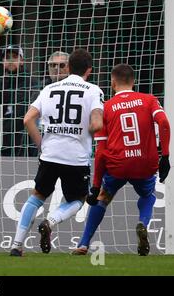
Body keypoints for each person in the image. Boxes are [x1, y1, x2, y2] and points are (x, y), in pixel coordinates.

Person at [10, 48, 104, 256]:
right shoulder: (93, 90)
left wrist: (41, 144)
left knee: (37, 196)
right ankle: (50, 221)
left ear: (68, 67)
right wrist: (82, 132)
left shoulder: (49, 89)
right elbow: (97, 124)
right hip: (76, 157)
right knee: (78, 200)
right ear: (89, 70)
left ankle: (16, 245)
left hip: (50, 154)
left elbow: (27, 119)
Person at [72, 64, 171, 256]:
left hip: (117, 164)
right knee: (147, 196)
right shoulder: (149, 100)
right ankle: (142, 223)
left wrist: (94, 185)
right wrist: (165, 156)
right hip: (144, 163)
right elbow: (164, 123)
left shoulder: (106, 107)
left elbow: (101, 151)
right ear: (133, 81)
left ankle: (83, 243)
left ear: (112, 82)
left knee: (102, 197)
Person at [1, 45, 41, 156]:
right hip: (3, 137)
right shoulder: (0, 83)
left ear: (22, 61)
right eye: (7, 57)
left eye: (14, 57)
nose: (10, 60)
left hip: (24, 139)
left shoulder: (31, 83)